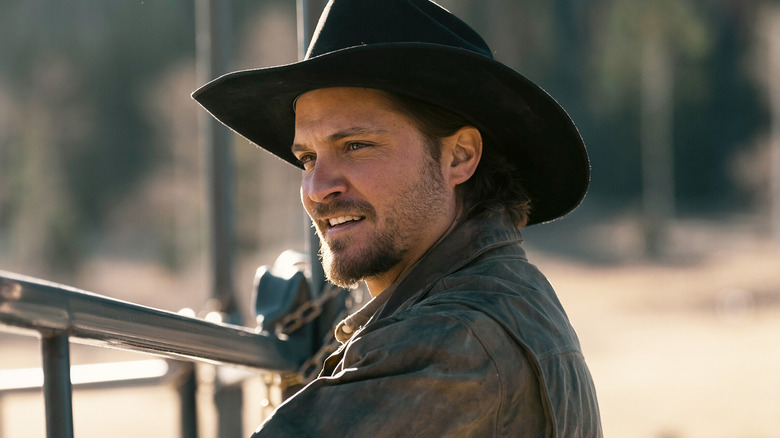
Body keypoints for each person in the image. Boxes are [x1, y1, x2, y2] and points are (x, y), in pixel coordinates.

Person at [193, 0, 602, 436]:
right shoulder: (507, 297)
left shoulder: (451, 339)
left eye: (356, 146)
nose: (317, 188)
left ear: (460, 157)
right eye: (308, 158)